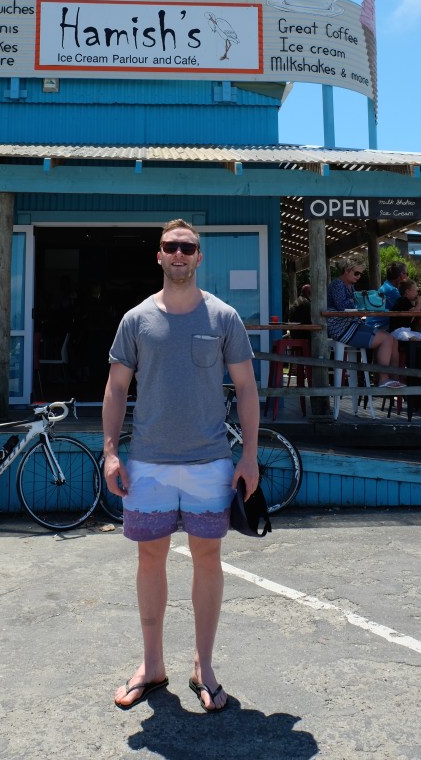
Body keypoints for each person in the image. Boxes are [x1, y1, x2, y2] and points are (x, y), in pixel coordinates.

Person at [102, 219, 259, 713]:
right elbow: (115, 389)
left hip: (210, 463)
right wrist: (110, 452)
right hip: (147, 462)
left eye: (187, 247)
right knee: (150, 559)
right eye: (170, 246)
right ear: (159, 255)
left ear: (198, 256)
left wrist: (250, 455)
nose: (179, 254)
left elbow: (248, 390)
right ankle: (151, 666)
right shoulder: (136, 320)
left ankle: (204, 666)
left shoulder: (224, 318)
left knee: (208, 560)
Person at [326, 256, 405, 389]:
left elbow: (354, 306)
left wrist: (361, 304)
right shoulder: (338, 285)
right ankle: (383, 378)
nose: (359, 276)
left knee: (391, 338)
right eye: (356, 273)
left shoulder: (349, 286)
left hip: (351, 325)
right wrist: (362, 304)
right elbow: (343, 307)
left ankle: (391, 377)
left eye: (360, 274)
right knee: (386, 339)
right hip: (342, 328)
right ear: (346, 270)